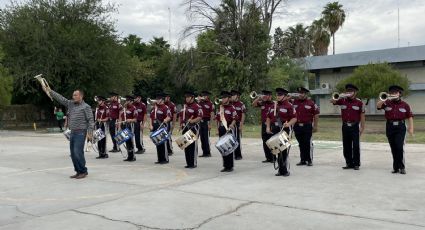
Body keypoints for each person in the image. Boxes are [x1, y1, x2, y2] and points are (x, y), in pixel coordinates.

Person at [42, 87, 94, 179]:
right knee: (73, 154)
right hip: (73, 132)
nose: (73, 96)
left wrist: (90, 133)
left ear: (81, 96)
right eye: (73, 95)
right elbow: (61, 98)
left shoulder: (86, 107)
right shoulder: (71, 104)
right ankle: (78, 171)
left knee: (77, 152)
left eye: (75, 95)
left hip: (81, 132)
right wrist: (50, 91)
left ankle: (83, 171)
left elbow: (90, 120)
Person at [377, 85, 414, 174]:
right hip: (389, 127)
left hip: (401, 127)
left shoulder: (405, 105)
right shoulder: (386, 103)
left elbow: (410, 117)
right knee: (393, 148)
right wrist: (384, 100)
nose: (393, 94)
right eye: (392, 93)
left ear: (399, 94)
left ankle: (402, 167)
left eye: (395, 93)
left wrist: (411, 128)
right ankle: (395, 167)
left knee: (399, 147)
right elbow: (378, 106)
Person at [330, 84, 365, 170]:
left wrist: (362, 127)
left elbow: (362, 115)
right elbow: (332, 101)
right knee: (346, 145)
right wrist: (339, 96)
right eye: (347, 91)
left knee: (356, 146)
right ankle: (349, 163)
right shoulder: (342, 100)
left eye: (351, 91)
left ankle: (356, 164)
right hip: (345, 126)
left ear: (355, 92)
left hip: (355, 126)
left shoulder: (359, 102)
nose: (349, 93)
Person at [266, 88, 297, 176]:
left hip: (284, 130)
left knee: (283, 150)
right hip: (274, 129)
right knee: (277, 150)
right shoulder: (273, 105)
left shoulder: (289, 106)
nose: (278, 97)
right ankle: (280, 170)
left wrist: (289, 124)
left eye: (280, 95)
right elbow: (268, 117)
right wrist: (268, 127)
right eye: (277, 95)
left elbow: (294, 118)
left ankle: (285, 170)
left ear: (285, 96)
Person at [293, 87, 319, 167]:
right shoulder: (294, 102)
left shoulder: (311, 103)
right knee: (301, 143)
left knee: (308, 143)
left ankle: (309, 160)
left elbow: (316, 114)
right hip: (297, 126)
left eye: (302, 93)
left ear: (306, 94)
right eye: (299, 93)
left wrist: (315, 126)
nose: (300, 94)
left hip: (307, 125)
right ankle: (303, 160)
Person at [180, 91, 203, 168]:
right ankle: (188, 163)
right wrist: (181, 124)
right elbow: (182, 116)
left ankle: (193, 163)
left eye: (188, 97)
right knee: (186, 145)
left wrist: (193, 121)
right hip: (185, 127)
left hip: (193, 127)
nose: (186, 99)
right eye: (186, 97)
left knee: (192, 146)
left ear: (192, 98)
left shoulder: (197, 106)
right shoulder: (185, 106)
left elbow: (200, 116)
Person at [216, 91, 238, 172]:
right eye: (222, 98)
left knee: (229, 148)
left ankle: (230, 166)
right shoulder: (220, 108)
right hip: (221, 129)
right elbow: (218, 120)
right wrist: (217, 129)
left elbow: (235, 118)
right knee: (223, 148)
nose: (223, 99)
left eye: (224, 98)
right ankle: (225, 165)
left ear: (228, 99)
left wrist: (232, 124)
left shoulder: (232, 108)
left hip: (228, 129)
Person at [252, 90, 275, 163]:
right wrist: (258, 98)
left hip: (271, 125)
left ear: (270, 96)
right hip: (264, 125)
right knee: (265, 141)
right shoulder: (262, 103)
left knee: (272, 141)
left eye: (266, 95)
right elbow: (254, 104)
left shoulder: (274, 104)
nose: (264, 96)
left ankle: (273, 157)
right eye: (264, 95)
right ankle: (268, 157)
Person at [150, 93, 172, 164]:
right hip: (155, 126)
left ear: (162, 100)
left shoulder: (165, 107)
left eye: (158, 99)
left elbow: (169, 116)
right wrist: (150, 125)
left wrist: (166, 119)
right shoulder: (154, 108)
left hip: (162, 126)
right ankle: (159, 159)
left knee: (163, 143)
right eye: (156, 99)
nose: (157, 100)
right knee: (158, 143)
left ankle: (165, 159)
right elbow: (151, 117)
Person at [118, 95, 138, 162]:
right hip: (124, 125)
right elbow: (121, 116)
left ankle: (133, 156)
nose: (126, 102)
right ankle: (129, 156)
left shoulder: (134, 108)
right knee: (126, 141)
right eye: (126, 101)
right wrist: (119, 125)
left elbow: (135, 119)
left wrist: (130, 120)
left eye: (128, 101)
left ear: (131, 101)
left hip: (130, 125)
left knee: (130, 141)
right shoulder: (124, 109)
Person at [230, 90, 246, 160]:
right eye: (231, 95)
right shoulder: (230, 104)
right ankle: (231, 154)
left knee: (237, 139)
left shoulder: (241, 104)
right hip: (230, 124)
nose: (232, 96)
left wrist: (241, 125)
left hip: (237, 123)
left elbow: (243, 115)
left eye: (233, 95)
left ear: (237, 96)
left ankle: (238, 155)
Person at [198, 91, 214, 157]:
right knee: (202, 137)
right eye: (203, 95)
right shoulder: (200, 103)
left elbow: (212, 114)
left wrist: (210, 123)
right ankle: (204, 152)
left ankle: (208, 152)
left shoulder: (210, 104)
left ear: (208, 96)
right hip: (200, 122)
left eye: (205, 95)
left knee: (206, 137)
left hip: (206, 121)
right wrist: (199, 101)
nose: (203, 97)